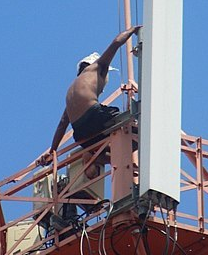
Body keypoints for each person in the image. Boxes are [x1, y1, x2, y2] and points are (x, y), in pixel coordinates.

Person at [40, 25, 141, 178]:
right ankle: (120, 154)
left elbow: (62, 124)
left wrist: (53, 150)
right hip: (94, 117)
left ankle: (96, 157)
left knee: (104, 146)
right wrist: (133, 30)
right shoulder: (98, 67)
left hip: (81, 134)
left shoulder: (72, 91)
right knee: (137, 133)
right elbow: (116, 43)